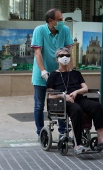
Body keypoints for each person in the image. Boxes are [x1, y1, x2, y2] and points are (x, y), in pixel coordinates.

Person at [46, 47, 103, 154]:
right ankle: (78, 144)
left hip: (79, 98)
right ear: (57, 59)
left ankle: (101, 139)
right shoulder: (53, 75)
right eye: (61, 56)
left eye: (67, 56)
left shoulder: (76, 73)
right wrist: (64, 96)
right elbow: (50, 95)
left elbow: (85, 88)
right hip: (64, 102)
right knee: (76, 110)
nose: (65, 58)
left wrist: (76, 92)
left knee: (97, 106)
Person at [31, 8, 74, 139]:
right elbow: (37, 52)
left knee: (61, 102)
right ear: (51, 21)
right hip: (41, 75)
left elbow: (68, 52)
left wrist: (70, 72)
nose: (62, 22)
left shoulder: (65, 30)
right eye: (59, 19)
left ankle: (63, 132)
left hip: (58, 74)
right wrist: (43, 71)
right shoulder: (40, 30)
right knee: (39, 105)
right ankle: (40, 132)